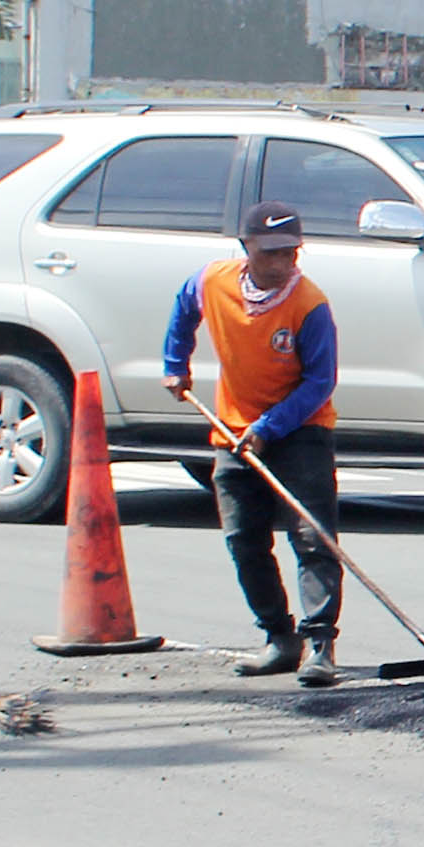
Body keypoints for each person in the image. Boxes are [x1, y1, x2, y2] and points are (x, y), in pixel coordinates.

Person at [163, 199, 343, 685]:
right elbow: (183, 311)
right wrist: (175, 365)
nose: (282, 263)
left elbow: (319, 381)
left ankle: (320, 645)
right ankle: (279, 638)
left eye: (290, 252)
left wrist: (268, 429)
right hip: (232, 430)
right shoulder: (212, 281)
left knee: (312, 535)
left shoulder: (310, 306)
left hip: (300, 429)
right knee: (243, 537)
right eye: (270, 253)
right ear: (246, 249)